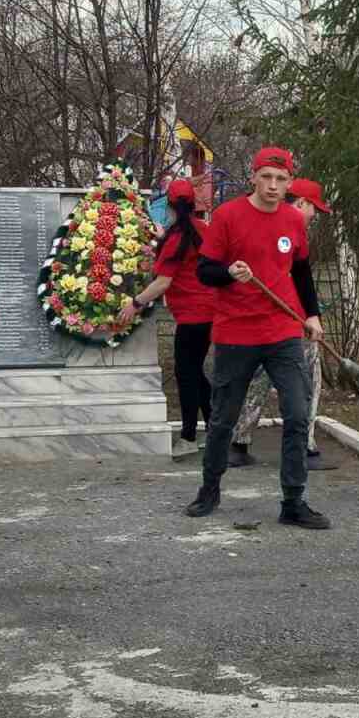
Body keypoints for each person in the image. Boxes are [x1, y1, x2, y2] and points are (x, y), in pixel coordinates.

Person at [186, 146, 330, 528]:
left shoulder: (293, 221)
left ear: (289, 184)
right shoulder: (228, 217)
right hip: (236, 332)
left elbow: (301, 273)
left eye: (281, 180)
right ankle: (209, 489)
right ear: (253, 177)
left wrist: (311, 315)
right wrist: (229, 273)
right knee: (223, 419)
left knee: (298, 414)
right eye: (266, 177)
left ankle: (293, 501)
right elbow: (204, 272)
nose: (272, 185)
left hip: (283, 331)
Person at [229, 178, 333, 471]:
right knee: (308, 382)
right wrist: (311, 316)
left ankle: (238, 442)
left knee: (259, 379)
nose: (314, 217)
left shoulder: (264, 221)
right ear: (301, 203)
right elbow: (299, 278)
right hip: (292, 323)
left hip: (265, 321)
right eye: (314, 209)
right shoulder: (291, 228)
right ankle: (306, 447)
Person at [117, 178, 215, 459]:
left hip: (192, 316)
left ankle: (188, 437)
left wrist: (134, 303)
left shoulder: (177, 238)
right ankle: (214, 428)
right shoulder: (201, 229)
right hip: (209, 312)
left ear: (169, 206)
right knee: (195, 372)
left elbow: (163, 282)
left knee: (187, 374)